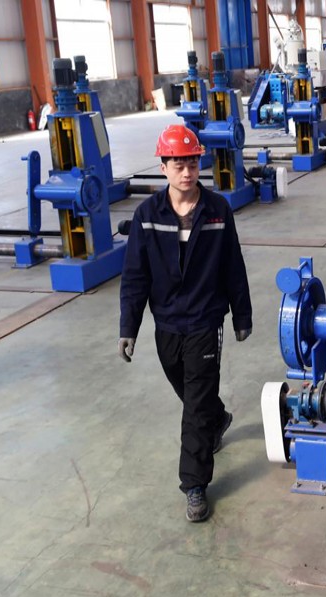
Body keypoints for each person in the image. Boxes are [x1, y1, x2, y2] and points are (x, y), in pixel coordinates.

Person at [119, 124, 252, 523]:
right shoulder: (147, 216)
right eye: (178, 164)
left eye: (192, 163)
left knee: (193, 405)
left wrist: (241, 315)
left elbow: (233, 267)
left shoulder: (217, 211)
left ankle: (194, 485)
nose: (187, 172)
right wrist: (129, 327)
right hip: (167, 325)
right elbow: (135, 276)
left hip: (205, 321)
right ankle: (218, 417)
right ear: (163, 167)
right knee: (189, 388)